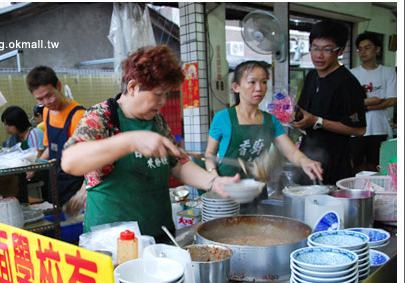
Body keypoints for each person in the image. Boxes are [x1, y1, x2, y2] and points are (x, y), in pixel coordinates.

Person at [61, 45, 240, 241]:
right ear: (132, 87)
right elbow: (70, 160)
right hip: (112, 239)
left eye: (166, 94)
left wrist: (213, 182)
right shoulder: (103, 116)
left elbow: (178, 164)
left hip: (158, 233)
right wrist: (130, 141)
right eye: (157, 94)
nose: (162, 101)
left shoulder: (156, 120)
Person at [204, 60, 323, 188]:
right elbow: (210, 154)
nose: (259, 88)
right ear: (236, 87)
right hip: (225, 188)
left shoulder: (270, 120)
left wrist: (305, 161)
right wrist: (214, 177)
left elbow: (291, 152)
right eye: (252, 82)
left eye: (264, 82)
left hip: (256, 189)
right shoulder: (222, 118)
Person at [291, 20, 366, 185]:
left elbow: (359, 129)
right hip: (308, 156)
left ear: (340, 50)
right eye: (315, 48)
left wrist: (317, 121)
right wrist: (294, 117)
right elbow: (304, 113)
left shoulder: (347, 83)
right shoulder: (311, 76)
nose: (319, 55)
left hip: (335, 160)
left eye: (326, 50)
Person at [26, 66, 86, 208]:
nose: (47, 102)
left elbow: (92, 161)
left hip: (75, 185)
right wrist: (35, 166)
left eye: (49, 96)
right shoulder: (46, 112)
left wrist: (83, 192)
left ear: (58, 86)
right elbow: (51, 148)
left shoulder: (78, 115)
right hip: (55, 181)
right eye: (40, 99)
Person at [350, 32, 397, 172]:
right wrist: (374, 102)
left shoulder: (388, 72)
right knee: (356, 166)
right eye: (360, 49)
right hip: (356, 128)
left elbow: (392, 100)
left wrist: (362, 105)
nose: (362, 52)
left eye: (367, 48)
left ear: (377, 49)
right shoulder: (351, 74)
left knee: (376, 166)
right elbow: (348, 103)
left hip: (379, 127)